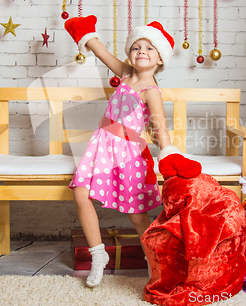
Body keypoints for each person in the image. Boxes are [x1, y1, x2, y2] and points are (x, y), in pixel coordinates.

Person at [64, 15, 200, 287]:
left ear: (159, 59)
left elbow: (160, 127)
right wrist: (85, 32)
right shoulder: (125, 73)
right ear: (130, 52)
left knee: (136, 214)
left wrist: (170, 154)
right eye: (137, 47)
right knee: (81, 193)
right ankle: (98, 255)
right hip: (102, 145)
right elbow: (101, 51)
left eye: (149, 48)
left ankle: (154, 259)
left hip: (128, 152)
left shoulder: (152, 91)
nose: (142, 52)